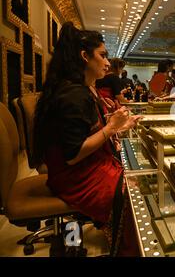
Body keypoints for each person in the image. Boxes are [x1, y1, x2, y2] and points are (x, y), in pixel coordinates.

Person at [32, 22, 141, 256]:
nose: (107, 62)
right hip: (76, 176)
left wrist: (118, 127)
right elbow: (72, 156)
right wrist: (111, 129)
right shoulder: (73, 95)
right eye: (102, 55)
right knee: (135, 193)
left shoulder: (77, 89)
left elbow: (87, 134)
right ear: (84, 56)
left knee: (134, 174)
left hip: (83, 168)